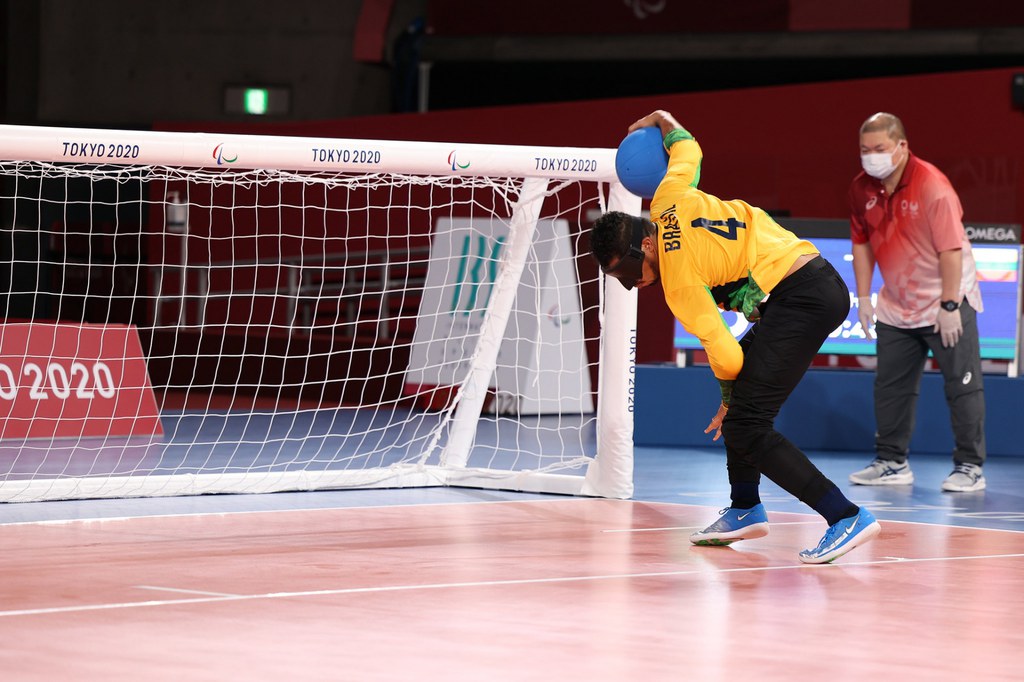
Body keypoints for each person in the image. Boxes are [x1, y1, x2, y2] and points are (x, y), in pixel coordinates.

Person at [591, 110, 880, 564]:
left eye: (627, 271)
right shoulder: (667, 197)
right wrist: (662, 118)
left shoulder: (680, 287)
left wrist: (728, 396)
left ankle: (844, 515)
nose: (632, 284)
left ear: (646, 245)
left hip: (802, 298)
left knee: (745, 421)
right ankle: (745, 507)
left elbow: (725, 355)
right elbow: (687, 147)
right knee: (744, 411)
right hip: (808, 279)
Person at [848, 112, 986, 492]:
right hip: (897, 303)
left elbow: (951, 252)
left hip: (946, 299)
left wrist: (948, 305)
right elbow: (862, 245)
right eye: (864, 150)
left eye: (879, 149)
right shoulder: (861, 188)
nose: (871, 157)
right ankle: (892, 461)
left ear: (901, 146)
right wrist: (863, 297)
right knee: (889, 386)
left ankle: (970, 467)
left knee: (962, 384)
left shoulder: (932, 186)